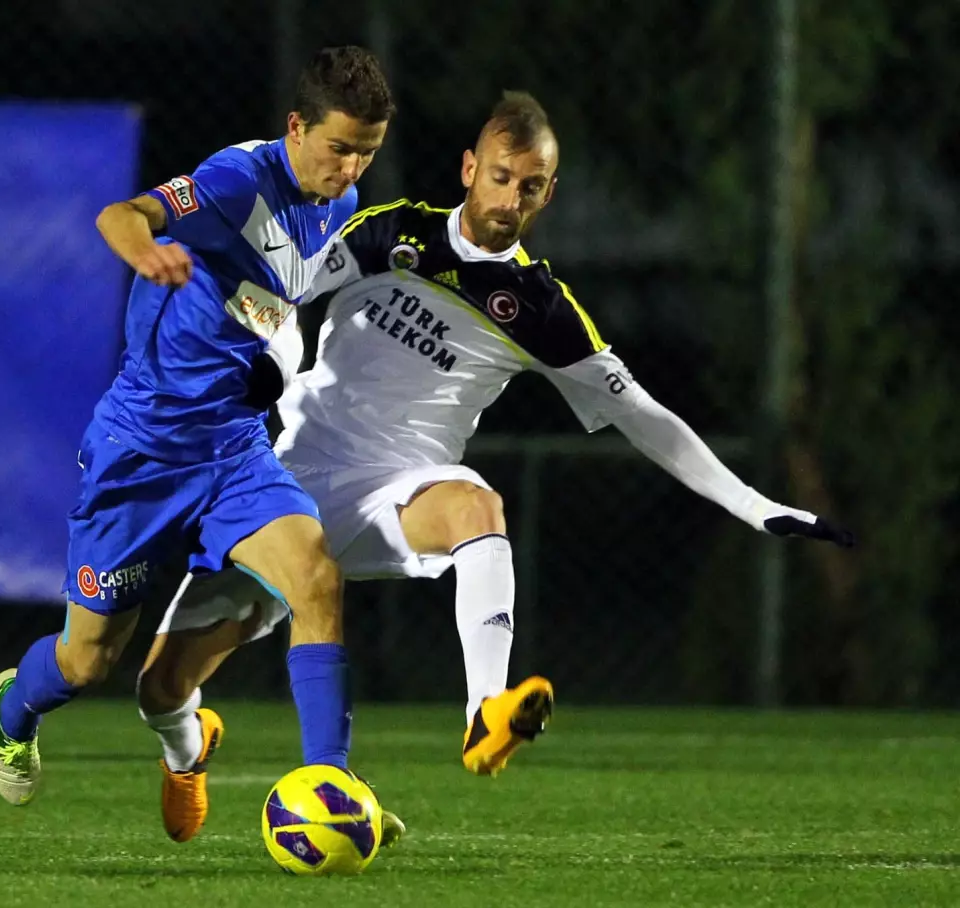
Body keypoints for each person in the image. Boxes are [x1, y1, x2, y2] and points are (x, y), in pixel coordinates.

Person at [136, 89, 853, 821]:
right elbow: (277, 295)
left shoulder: (541, 309)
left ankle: (485, 713)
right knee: (159, 687)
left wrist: (757, 507)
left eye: (531, 186)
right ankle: (188, 744)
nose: (512, 199)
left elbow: (646, 418)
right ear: (470, 167)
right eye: (502, 177)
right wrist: (268, 356)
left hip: (399, 490)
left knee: (478, 506)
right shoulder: (392, 235)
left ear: (549, 192)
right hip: (290, 475)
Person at [0, 47, 396, 844]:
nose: (351, 168)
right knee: (87, 664)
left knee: (314, 574)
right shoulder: (237, 180)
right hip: (140, 454)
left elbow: (267, 301)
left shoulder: (336, 205)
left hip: (234, 449)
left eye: (367, 152)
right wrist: (147, 250)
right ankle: (14, 711)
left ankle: (332, 781)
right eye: (339, 147)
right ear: (295, 128)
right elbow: (123, 214)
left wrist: (277, 359)